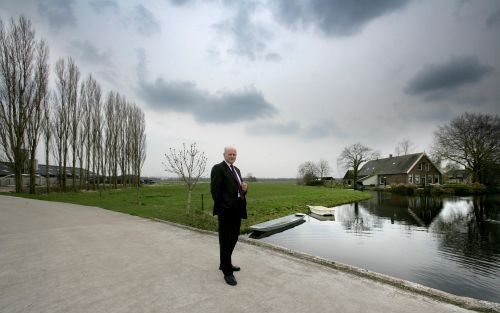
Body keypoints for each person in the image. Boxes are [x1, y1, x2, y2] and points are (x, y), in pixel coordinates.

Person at [210, 146, 248, 286]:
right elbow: (215, 191)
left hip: (237, 210)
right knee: (225, 240)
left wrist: (245, 189)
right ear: (224, 155)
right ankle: (227, 272)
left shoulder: (236, 170)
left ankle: (225, 262)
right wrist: (224, 208)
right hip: (226, 211)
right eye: (230, 154)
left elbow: (239, 191)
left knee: (234, 237)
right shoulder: (218, 168)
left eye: (234, 154)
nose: (232, 156)